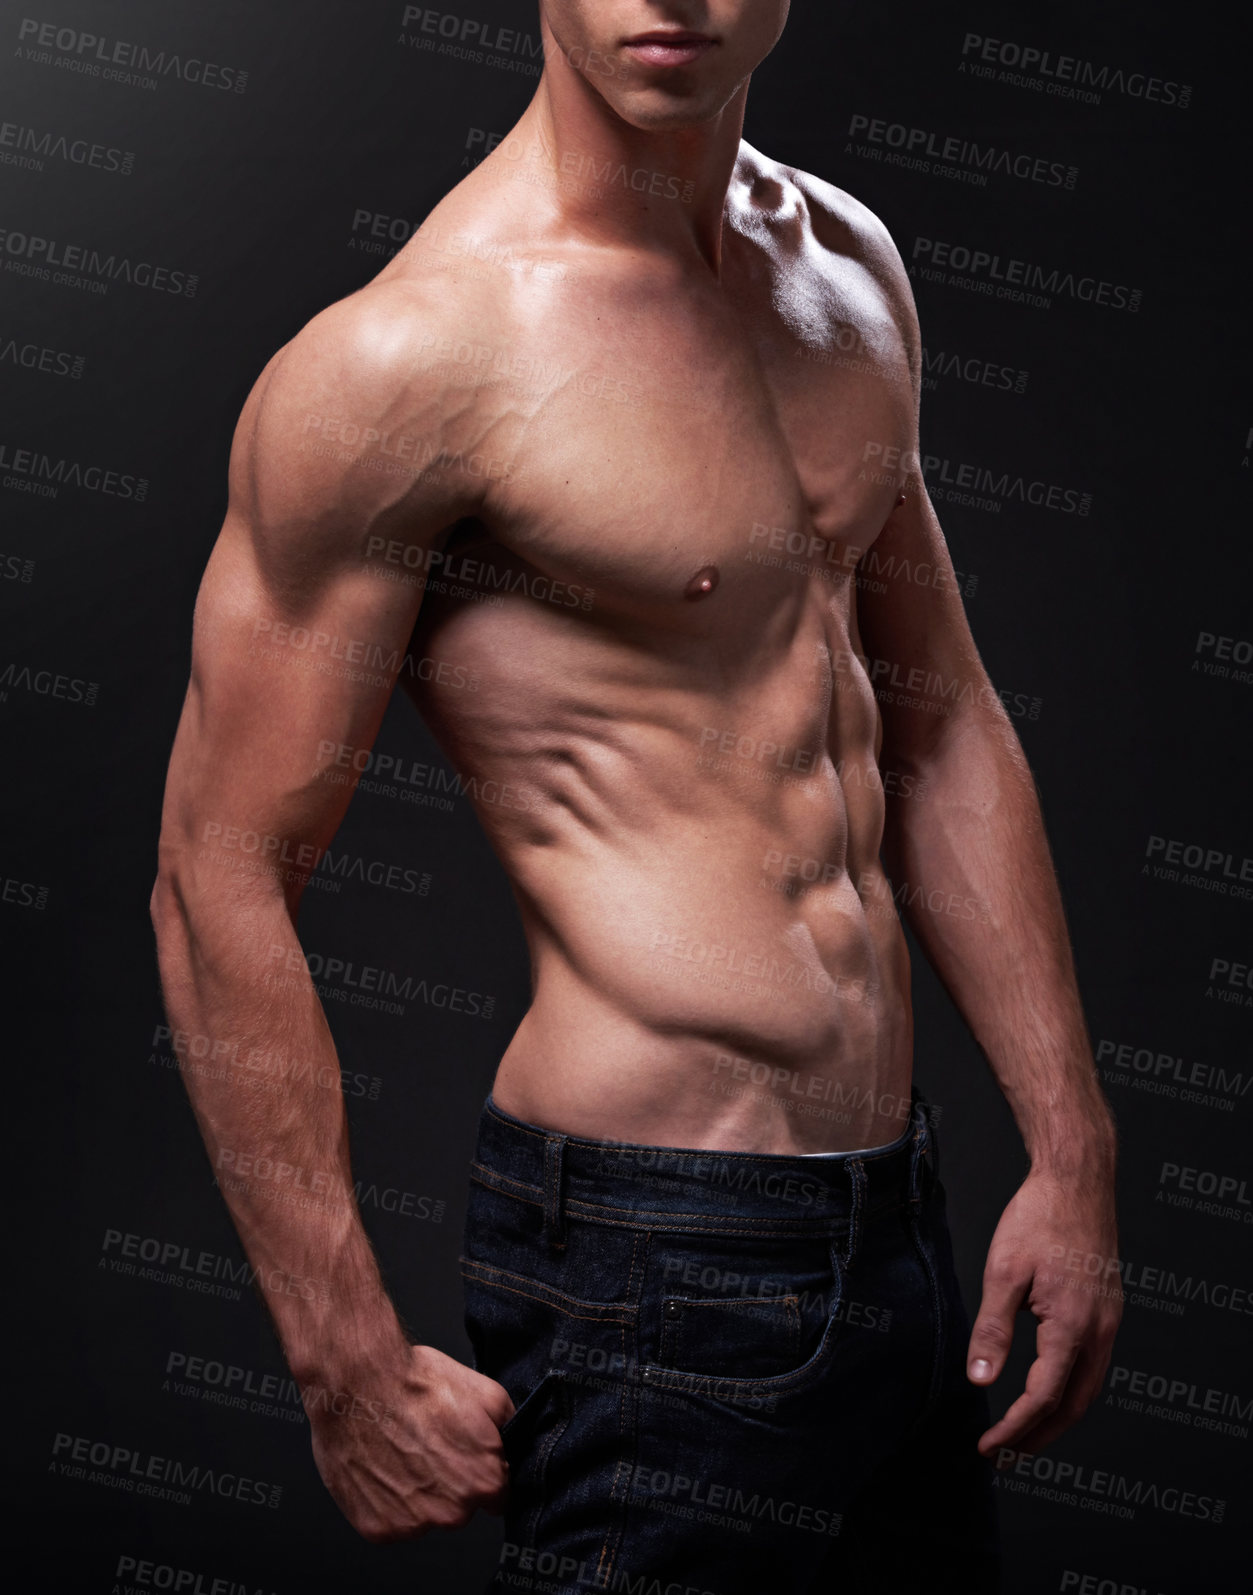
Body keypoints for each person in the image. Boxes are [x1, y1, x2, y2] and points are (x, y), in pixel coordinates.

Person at [149, 3, 1122, 1590]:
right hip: (654, 1250)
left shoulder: (846, 268)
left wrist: (1071, 1152)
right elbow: (218, 871)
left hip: (894, 1222)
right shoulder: (414, 358)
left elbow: (938, 729)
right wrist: (338, 1352)